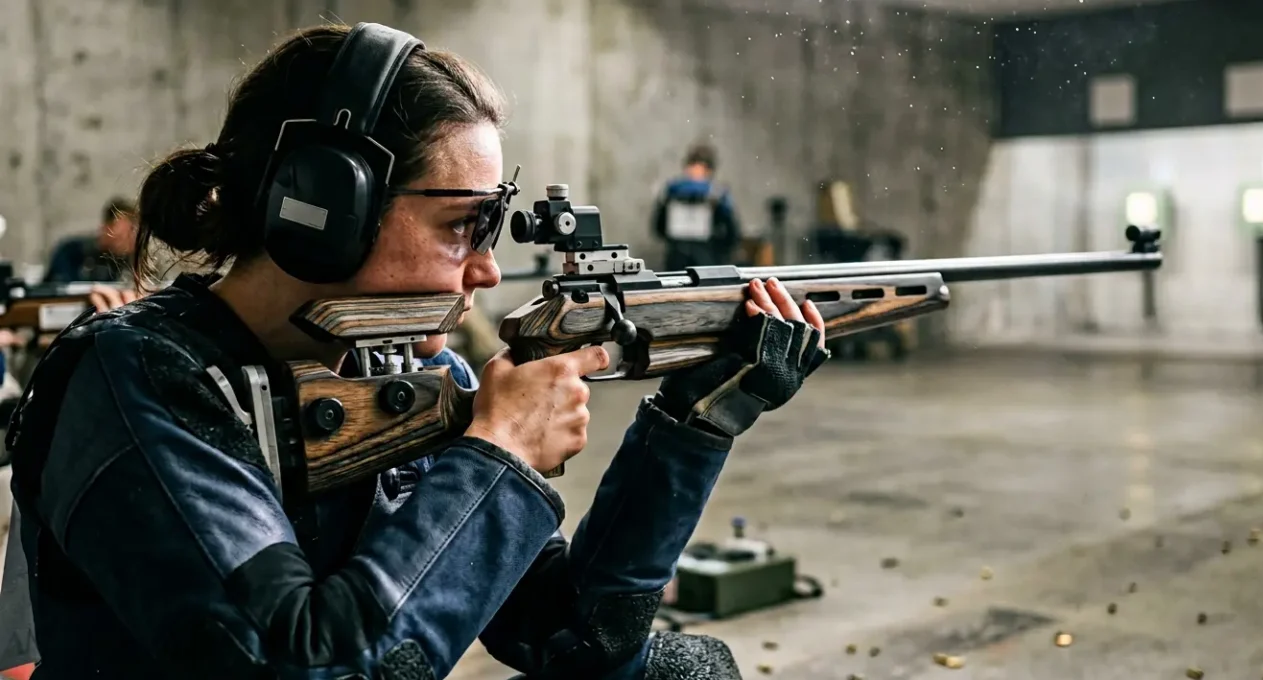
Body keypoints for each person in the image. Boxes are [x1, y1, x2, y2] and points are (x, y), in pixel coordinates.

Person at [2, 22, 829, 680]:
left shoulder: (408, 371)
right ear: (325, 210)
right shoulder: (137, 374)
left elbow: (574, 639)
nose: (488, 268)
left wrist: (694, 424)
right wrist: (500, 454)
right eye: (464, 224)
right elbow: (307, 666)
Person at [650, 143, 742, 271]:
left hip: (690, 257)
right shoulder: (717, 194)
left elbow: (659, 227)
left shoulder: (673, 192)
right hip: (696, 258)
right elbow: (731, 233)